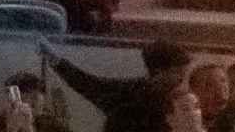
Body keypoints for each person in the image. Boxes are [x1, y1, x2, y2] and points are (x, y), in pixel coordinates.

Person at [42, 42, 193, 132]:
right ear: (159, 71)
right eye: (177, 72)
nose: (181, 78)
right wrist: (57, 62)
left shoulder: (173, 101)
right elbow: (87, 83)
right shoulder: (127, 96)